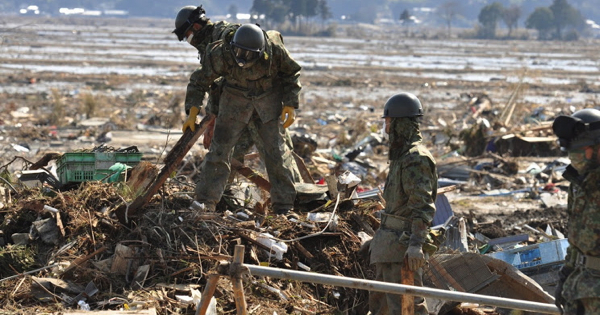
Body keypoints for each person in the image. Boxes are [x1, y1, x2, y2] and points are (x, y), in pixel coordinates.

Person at [181, 23, 301, 214]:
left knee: (276, 154)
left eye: (248, 54)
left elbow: (291, 72)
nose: (242, 58)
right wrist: (193, 111)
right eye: (239, 51)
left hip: (267, 98)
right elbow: (199, 81)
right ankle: (206, 202)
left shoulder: (275, 51)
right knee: (219, 151)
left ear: (261, 51)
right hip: (234, 100)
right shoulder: (221, 53)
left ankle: (284, 206)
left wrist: (290, 103)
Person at [368, 92, 437, 315]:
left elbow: (422, 206)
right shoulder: (402, 156)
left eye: (389, 122)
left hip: (403, 250)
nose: (386, 129)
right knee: (383, 307)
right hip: (388, 247)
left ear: (401, 124)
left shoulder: (415, 158)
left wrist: (416, 244)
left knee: (407, 309)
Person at [552, 108, 600, 314]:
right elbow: (576, 241)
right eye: (571, 152)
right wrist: (565, 275)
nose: (575, 158)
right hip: (578, 289)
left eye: (582, 150)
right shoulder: (577, 185)